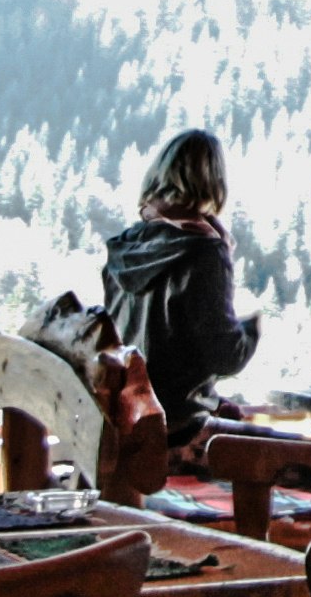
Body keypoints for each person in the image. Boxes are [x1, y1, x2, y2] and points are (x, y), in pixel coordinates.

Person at [99, 129, 262, 459]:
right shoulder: (203, 253)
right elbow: (226, 356)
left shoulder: (126, 245)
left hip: (127, 416)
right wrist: (254, 327)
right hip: (175, 426)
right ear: (214, 182)